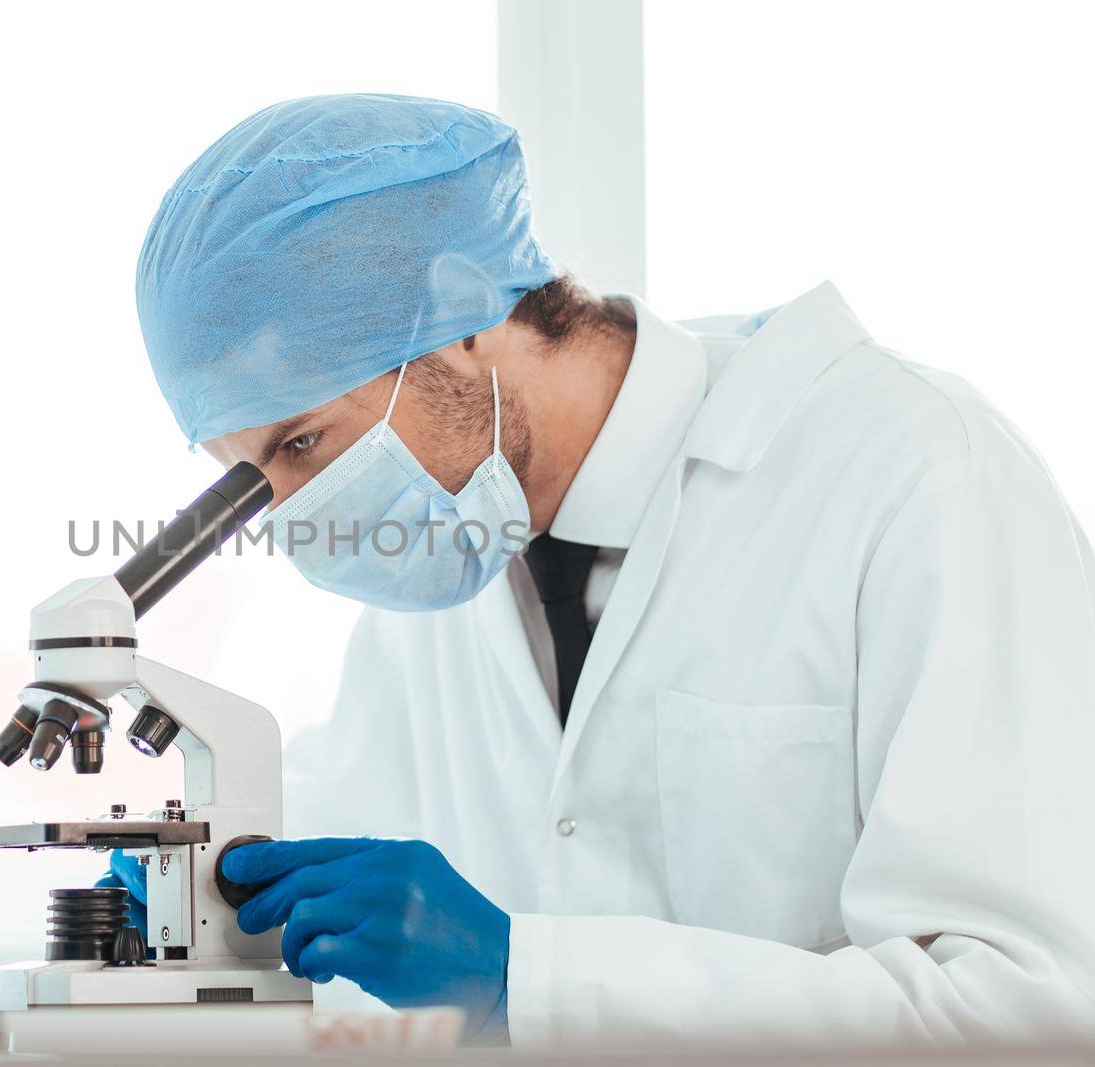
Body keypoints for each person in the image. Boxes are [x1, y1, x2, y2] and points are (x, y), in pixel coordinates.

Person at [106, 93, 1095, 1048]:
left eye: (304, 442)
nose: (286, 514)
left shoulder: (912, 475)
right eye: (244, 479)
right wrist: (195, 880)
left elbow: (1029, 1005)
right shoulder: (443, 545)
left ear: (457, 313)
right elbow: (344, 813)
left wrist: (525, 978)